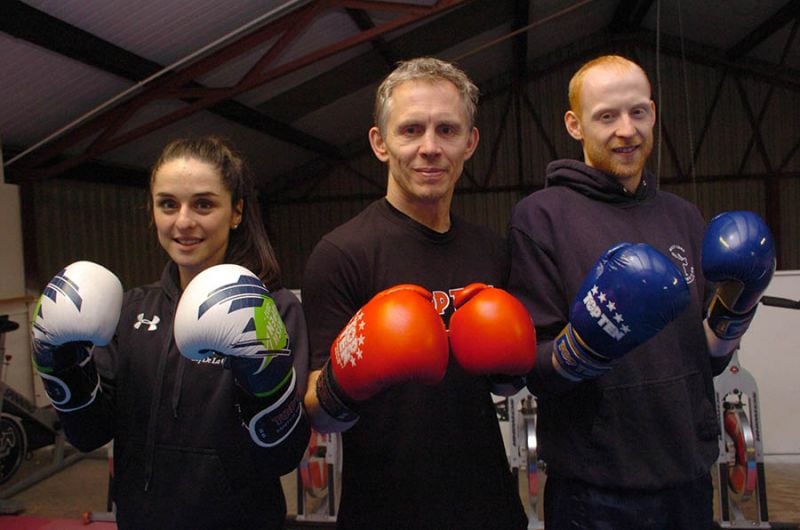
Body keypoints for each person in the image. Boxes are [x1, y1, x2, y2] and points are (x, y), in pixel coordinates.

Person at [507, 54, 776, 529]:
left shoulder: (682, 215)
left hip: (688, 477)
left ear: (653, 112)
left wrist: (741, 302)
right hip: (594, 490)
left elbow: (708, 356)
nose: (626, 130)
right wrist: (588, 342)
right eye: (606, 116)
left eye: (638, 112)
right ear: (575, 125)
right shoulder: (540, 217)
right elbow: (534, 368)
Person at [30, 136, 311, 530]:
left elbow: (283, 455)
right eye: (168, 204)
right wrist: (60, 366)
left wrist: (266, 385)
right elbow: (89, 433)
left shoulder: (275, 309)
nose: (183, 222)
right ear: (153, 212)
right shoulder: (131, 310)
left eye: (203, 204)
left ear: (236, 212)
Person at [301, 57, 533, 530]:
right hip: (383, 511)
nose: (429, 148)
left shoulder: (491, 249)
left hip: (489, 507)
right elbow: (319, 414)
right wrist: (352, 374)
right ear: (380, 143)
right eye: (411, 130)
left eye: (446, 130)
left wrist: (511, 371)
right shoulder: (342, 253)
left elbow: (503, 382)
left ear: (470, 143)